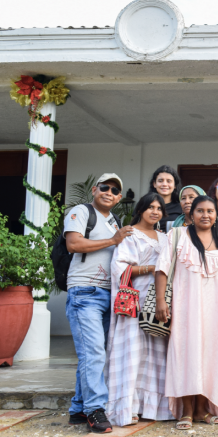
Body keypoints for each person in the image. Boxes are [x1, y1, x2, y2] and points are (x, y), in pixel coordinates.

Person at [155, 196, 218, 429]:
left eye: (210, 211)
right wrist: (161, 301)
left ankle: (202, 410)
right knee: (186, 354)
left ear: (216, 214)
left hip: (215, 308)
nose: (206, 215)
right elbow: (162, 268)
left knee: (211, 356)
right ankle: (186, 411)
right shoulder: (178, 235)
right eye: (200, 210)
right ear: (192, 214)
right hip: (185, 306)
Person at [64, 173, 130, 433]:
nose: (109, 192)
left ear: (119, 197)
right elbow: (73, 244)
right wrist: (114, 240)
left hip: (107, 294)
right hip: (84, 292)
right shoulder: (82, 211)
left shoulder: (114, 220)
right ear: (94, 189)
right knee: (94, 353)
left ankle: (78, 409)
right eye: (105, 187)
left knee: (92, 355)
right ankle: (95, 409)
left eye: (115, 190)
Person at [106, 193, 172, 427]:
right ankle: (129, 407)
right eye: (150, 207)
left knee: (157, 351)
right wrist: (149, 268)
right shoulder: (130, 234)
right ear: (140, 209)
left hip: (159, 301)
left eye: (159, 208)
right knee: (133, 352)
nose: (155, 212)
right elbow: (119, 268)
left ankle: (155, 407)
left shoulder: (165, 238)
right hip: (135, 300)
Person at [147, 166, 182, 231]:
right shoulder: (144, 205)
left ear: (175, 185)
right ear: (154, 184)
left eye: (169, 181)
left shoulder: (181, 207)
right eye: (160, 181)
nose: (164, 184)